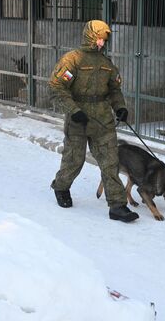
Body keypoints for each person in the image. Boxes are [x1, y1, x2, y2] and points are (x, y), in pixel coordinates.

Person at [48, 20, 138, 223]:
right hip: (78, 119)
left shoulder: (106, 64)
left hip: (103, 120)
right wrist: (73, 110)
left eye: (104, 39)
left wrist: (120, 107)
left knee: (110, 162)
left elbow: (115, 90)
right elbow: (56, 87)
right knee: (74, 160)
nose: (101, 43)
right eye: (99, 38)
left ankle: (117, 205)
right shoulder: (72, 60)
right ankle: (61, 187)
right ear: (90, 36)